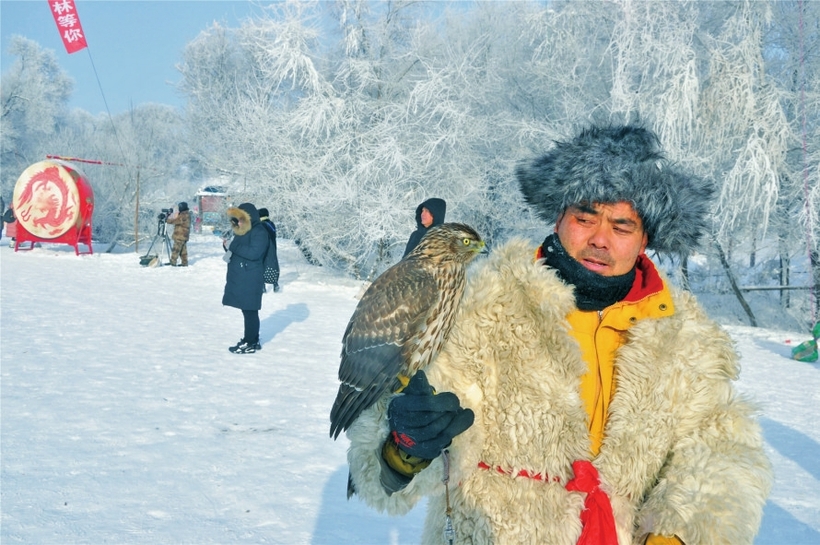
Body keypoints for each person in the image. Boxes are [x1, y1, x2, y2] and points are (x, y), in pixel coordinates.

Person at [343, 125, 772, 544]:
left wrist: (676, 534)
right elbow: (394, 441)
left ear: (645, 239)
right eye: (585, 218)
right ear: (559, 217)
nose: (600, 239)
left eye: (621, 227)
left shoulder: (687, 337)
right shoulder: (484, 305)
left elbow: (722, 449)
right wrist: (404, 449)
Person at [222, 203, 269, 354]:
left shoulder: (259, 231)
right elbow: (241, 249)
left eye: (241, 219)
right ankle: (251, 339)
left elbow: (254, 253)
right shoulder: (245, 231)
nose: (239, 222)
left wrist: (233, 247)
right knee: (247, 310)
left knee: (250, 311)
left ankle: (251, 342)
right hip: (244, 277)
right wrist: (228, 246)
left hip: (251, 278)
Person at [257, 207, 281, 293]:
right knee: (273, 264)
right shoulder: (271, 224)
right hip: (273, 247)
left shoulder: (261, 225)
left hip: (263, 247)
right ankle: (275, 284)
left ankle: (262, 286)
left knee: (262, 265)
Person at [165, 202, 191, 266]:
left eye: (179, 207)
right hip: (183, 235)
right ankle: (184, 263)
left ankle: (173, 262)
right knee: (183, 251)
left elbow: (176, 221)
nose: (179, 208)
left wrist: (167, 219)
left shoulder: (184, 215)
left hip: (180, 235)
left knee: (176, 249)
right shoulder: (185, 214)